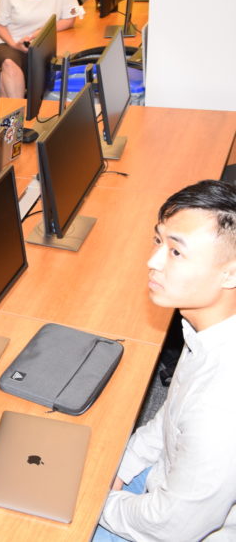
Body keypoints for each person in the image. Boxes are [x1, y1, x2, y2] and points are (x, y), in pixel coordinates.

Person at [94, 180, 236, 541]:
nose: (152, 261)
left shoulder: (220, 408)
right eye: (159, 240)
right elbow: (170, 417)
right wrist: (122, 469)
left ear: (230, 272)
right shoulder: (207, 329)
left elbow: (171, 528)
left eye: (176, 252)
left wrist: (93, 501)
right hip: (169, 481)